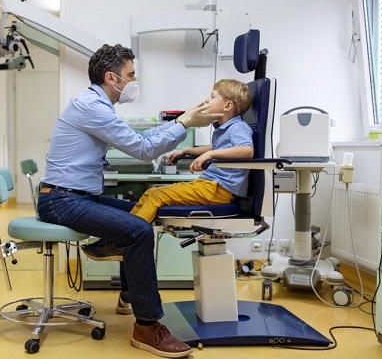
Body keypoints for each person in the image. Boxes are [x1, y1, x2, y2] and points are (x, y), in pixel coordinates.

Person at [36, 43, 222, 358]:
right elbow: (144, 149)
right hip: (61, 201)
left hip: (75, 196)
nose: (134, 81)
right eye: (131, 74)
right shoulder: (91, 107)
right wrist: (186, 122)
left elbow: (142, 141)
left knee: (142, 213)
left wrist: (184, 119)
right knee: (138, 230)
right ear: (112, 77)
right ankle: (147, 328)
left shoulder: (98, 106)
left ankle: (127, 293)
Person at [130, 78, 254, 222]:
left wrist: (209, 154)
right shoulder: (224, 129)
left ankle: (131, 237)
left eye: (212, 96)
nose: (207, 100)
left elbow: (246, 150)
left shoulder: (238, 127)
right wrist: (186, 151)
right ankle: (123, 235)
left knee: (156, 196)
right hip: (208, 186)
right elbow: (217, 148)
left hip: (218, 190)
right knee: (150, 193)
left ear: (227, 106)